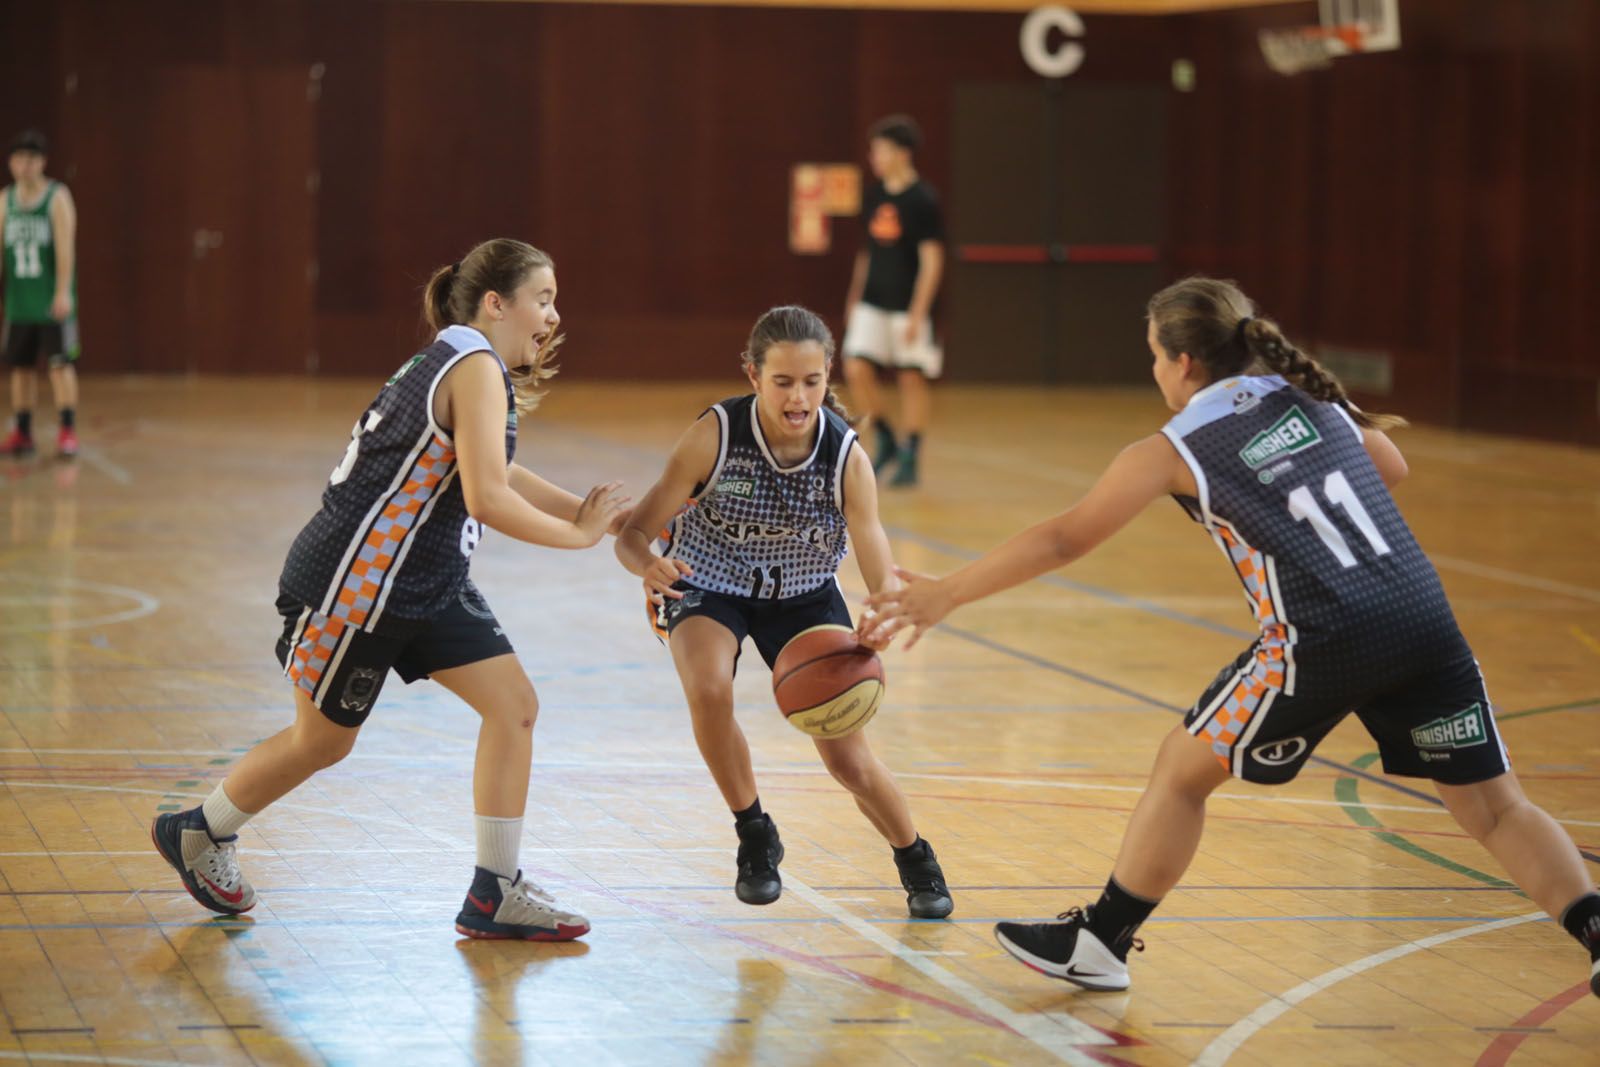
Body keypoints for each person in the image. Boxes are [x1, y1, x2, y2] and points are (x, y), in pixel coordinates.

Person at [864, 276, 1600, 993]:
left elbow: (1065, 539)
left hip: (1323, 633)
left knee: (1182, 770)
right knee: (1495, 806)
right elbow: (1392, 467)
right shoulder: (1310, 390)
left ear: (1183, 362)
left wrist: (945, 594)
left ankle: (1102, 939)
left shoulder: (1171, 448)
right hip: (1421, 616)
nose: (1155, 370)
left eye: (1154, 355)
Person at [151, 239, 631, 941]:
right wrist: (581, 536)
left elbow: (495, 471)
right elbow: (489, 495)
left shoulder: (462, 358)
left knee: (514, 706)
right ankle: (200, 830)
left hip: (424, 582)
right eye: (545, 298)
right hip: (357, 587)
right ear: (496, 303)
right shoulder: (472, 365)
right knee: (322, 743)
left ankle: (494, 891)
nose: (555, 316)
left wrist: (588, 514)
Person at [615, 305, 953, 919]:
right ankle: (754, 833)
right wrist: (647, 564)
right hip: (708, 582)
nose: (798, 396)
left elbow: (871, 539)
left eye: (812, 381)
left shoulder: (845, 455)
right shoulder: (715, 435)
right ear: (752, 376)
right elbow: (634, 533)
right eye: (782, 381)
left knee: (848, 758)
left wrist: (881, 604)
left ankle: (915, 856)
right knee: (710, 688)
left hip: (804, 594)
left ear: (829, 376)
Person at [841, 115, 944, 488]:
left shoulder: (923, 199)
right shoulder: (874, 196)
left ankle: (911, 453)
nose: (875, 157)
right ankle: (883, 434)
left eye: (881, 150)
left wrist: (919, 312)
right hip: (873, 301)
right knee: (855, 367)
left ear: (902, 153)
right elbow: (866, 253)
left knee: (911, 378)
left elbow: (932, 259)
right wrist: (854, 297)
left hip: (907, 306)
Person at [1, 130, 80, 458]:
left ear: (42, 162)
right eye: (19, 159)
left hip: (50, 301)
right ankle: (22, 431)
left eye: (31, 159)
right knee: (19, 368)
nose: (24, 166)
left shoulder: (57, 197)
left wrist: (63, 292)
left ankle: (67, 430)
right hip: (19, 302)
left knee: (59, 366)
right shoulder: (6, 200)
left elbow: (66, 248)